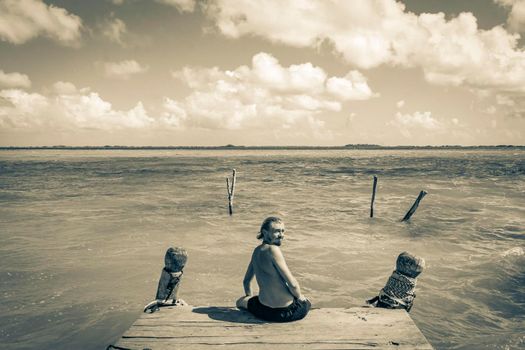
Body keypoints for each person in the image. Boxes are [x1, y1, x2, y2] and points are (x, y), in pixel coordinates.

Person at [236, 217, 311, 322]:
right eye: (277, 231)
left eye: (283, 231)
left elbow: (246, 281)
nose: (281, 235)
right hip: (286, 312)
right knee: (306, 302)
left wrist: (250, 298)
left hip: (263, 311)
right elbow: (293, 284)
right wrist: (300, 298)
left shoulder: (256, 251)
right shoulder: (273, 249)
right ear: (265, 233)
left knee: (239, 302)